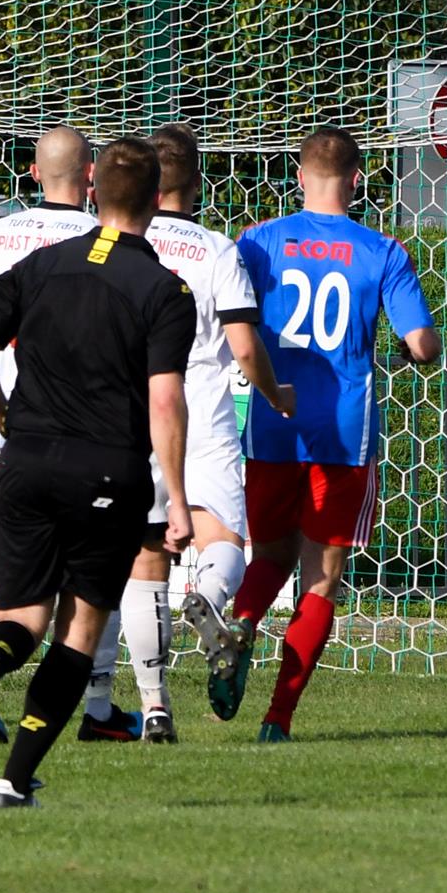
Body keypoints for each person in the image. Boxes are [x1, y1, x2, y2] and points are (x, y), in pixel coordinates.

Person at [0, 136, 195, 808]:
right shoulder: (165, 289)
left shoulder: (37, 265)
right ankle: (14, 778)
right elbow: (165, 400)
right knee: (78, 630)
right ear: (156, 200)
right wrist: (178, 499)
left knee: (22, 615)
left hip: (25, 461)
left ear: (93, 191)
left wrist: (4, 419)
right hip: (107, 472)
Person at [224, 126, 441, 741]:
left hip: (273, 423)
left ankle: (242, 623)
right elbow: (422, 344)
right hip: (344, 434)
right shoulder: (383, 251)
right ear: (357, 180)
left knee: (269, 556)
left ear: (299, 176)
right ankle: (277, 719)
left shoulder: (258, 241)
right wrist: (416, 350)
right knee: (320, 577)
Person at [145, 126, 295, 725]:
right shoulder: (215, 248)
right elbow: (244, 344)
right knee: (225, 540)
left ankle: (149, 703)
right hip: (202, 408)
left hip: (134, 410)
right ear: (198, 182)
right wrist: (274, 394)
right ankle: (207, 598)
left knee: (142, 559)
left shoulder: (120, 240)